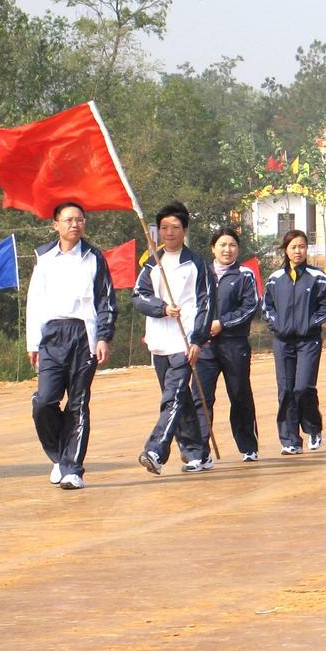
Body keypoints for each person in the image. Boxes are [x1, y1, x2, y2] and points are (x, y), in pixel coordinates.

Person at [26, 201, 116, 490]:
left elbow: (106, 300)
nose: (75, 224)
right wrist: (33, 342)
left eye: (79, 219)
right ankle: (59, 455)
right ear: (56, 225)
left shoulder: (94, 257)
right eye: (68, 220)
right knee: (45, 401)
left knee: (78, 402)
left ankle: (73, 469)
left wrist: (103, 337)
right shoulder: (44, 257)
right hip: (52, 335)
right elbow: (34, 301)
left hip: (83, 335)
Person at [135, 201, 215, 474]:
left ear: (185, 230)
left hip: (184, 342)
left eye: (176, 227)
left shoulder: (196, 264)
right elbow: (139, 296)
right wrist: (162, 308)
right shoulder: (151, 263)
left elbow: (206, 304)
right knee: (179, 399)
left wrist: (197, 340)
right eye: (165, 227)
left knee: (172, 398)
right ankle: (198, 453)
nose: (169, 232)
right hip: (159, 342)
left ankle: (155, 451)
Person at [182, 228, 260, 463]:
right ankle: (199, 452)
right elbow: (191, 306)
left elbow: (250, 307)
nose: (227, 250)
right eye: (222, 245)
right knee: (201, 398)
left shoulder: (244, 274)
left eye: (232, 245)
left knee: (239, 394)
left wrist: (222, 323)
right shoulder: (200, 274)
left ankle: (248, 446)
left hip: (234, 345)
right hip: (204, 347)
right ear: (212, 248)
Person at [263, 229, 326, 454]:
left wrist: (310, 323)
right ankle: (290, 440)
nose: (298, 251)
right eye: (293, 247)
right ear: (285, 249)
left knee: (303, 387)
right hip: (282, 342)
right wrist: (278, 325)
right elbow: (267, 307)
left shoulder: (317, 277)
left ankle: (313, 428)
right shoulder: (275, 279)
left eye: (302, 246)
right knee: (286, 390)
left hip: (309, 341)